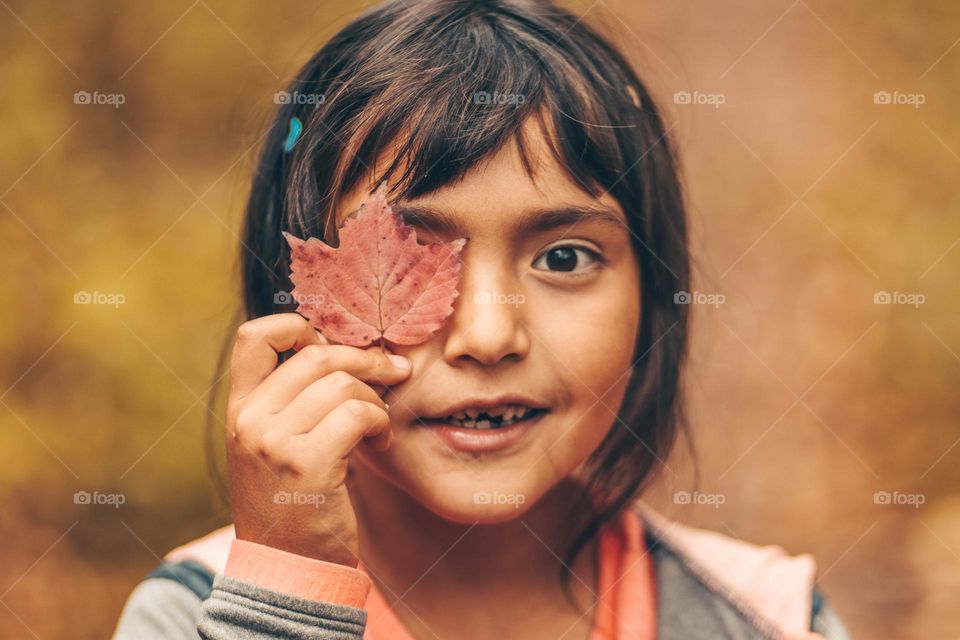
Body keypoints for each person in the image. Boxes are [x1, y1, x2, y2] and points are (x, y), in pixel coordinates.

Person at [113, 1, 851, 637]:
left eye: (564, 258)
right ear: (293, 294)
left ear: (652, 295)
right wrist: (286, 595)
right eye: (405, 254)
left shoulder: (764, 617)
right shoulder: (196, 617)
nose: (490, 337)